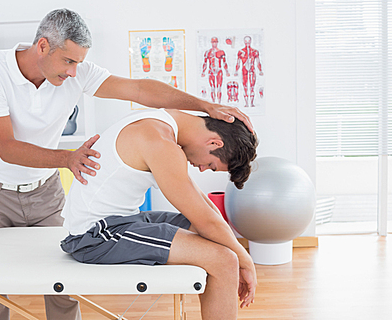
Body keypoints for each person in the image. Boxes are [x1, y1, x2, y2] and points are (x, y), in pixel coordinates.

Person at [0, 8, 255, 320]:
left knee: (61, 289)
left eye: (79, 62)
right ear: (42, 46)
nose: (75, 72)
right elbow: (5, 147)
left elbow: (141, 89)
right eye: (69, 61)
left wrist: (204, 104)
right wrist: (67, 158)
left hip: (45, 191)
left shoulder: (80, 77)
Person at [61, 108, 259, 320]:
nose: (202, 169)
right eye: (211, 165)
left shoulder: (161, 122)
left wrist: (240, 255)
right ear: (214, 143)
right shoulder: (159, 142)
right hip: (94, 237)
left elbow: (205, 208)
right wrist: (246, 262)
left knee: (217, 240)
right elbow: (207, 222)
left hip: (122, 222)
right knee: (225, 260)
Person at [234, 36, 264, 107]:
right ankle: (246, 103)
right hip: (244, 71)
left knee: (252, 87)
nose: (247, 43)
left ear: (251, 42)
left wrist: (260, 70)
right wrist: (236, 71)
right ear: (244, 42)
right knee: (245, 86)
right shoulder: (241, 52)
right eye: (246, 42)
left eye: (249, 42)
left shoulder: (255, 52)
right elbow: (238, 63)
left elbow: (258, 62)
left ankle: (252, 103)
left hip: (252, 70)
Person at [201, 37, 230, 104]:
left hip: (219, 71)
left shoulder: (221, 52)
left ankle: (219, 103)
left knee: (219, 87)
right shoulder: (207, 52)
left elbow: (224, 63)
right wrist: (203, 72)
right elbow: (205, 63)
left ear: (217, 42)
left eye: (215, 42)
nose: (214, 43)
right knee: (212, 88)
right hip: (211, 71)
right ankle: (213, 103)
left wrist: (227, 71)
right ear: (211, 42)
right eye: (213, 42)